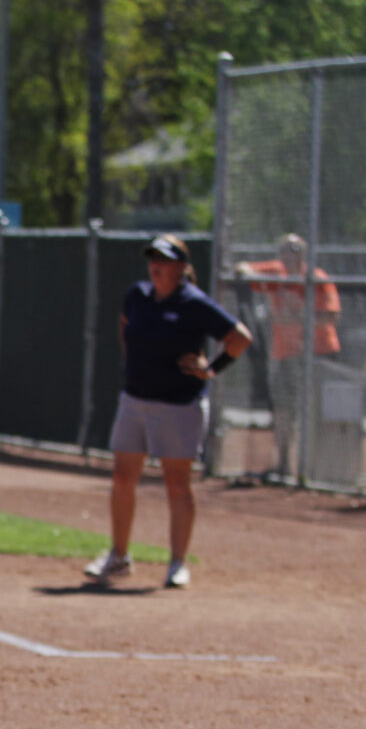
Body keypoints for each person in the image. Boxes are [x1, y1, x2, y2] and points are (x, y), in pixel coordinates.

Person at [85, 235, 254, 589]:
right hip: (135, 400)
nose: (155, 264)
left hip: (179, 404)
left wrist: (211, 369)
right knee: (121, 479)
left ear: (181, 266)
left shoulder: (193, 303)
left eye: (164, 258)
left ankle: (177, 562)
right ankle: (119, 555)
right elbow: (124, 328)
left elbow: (239, 337)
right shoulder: (137, 295)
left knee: (177, 484)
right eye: (152, 258)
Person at [235, 234, 341, 480]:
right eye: (284, 251)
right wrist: (252, 274)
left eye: (295, 251)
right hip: (285, 354)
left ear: (304, 255)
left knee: (316, 412)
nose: (289, 256)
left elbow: (331, 317)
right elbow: (242, 268)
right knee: (283, 409)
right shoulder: (276, 272)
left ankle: (315, 469)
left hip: (318, 354)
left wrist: (299, 317)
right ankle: (283, 464)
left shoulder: (317, 278)